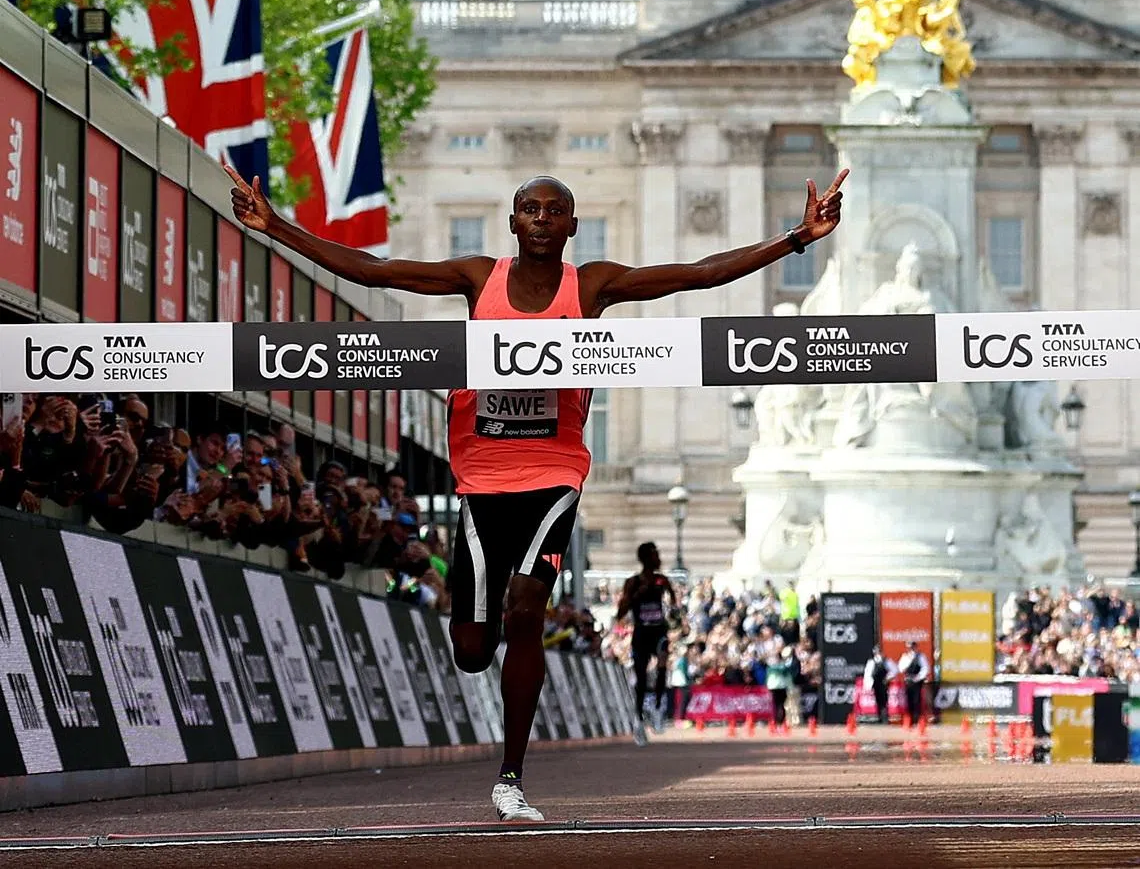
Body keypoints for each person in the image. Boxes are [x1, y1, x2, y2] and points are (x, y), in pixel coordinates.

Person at [224, 158, 847, 822]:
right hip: (480, 476)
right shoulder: (477, 278)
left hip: (555, 471)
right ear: (514, 221)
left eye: (556, 211)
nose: (544, 220)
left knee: (528, 610)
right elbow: (376, 271)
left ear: (575, 226)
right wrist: (275, 228)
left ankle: (511, 775)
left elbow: (694, 275)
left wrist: (796, 239)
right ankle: (483, 632)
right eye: (532, 210)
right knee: (471, 650)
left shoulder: (594, 286)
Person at [616, 541, 676, 744]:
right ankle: (639, 719)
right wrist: (635, 597)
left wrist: (675, 615)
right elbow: (620, 613)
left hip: (659, 632)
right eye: (654, 554)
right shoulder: (632, 582)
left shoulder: (662, 581)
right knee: (641, 679)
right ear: (645, 558)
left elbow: (675, 606)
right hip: (641, 634)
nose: (658, 558)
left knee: (662, 668)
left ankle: (659, 708)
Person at [897, 640, 930, 726]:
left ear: (915, 647)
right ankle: (910, 720)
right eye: (909, 647)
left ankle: (917, 720)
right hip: (908, 681)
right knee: (909, 700)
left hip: (917, 681)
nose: (910, 649)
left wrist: (918, 677)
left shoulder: (921, 656)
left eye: (912, 647)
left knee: (917, 700)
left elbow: (925, 668)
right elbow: (900, 668)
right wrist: (906, 665)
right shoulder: (905, 656)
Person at [863, 644, 896, 724]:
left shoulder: (887, 661)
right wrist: (868, 685)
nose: (878, 653)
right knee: (877, 701)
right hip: (875, 683)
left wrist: (887, 678)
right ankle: (879, 717)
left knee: (884, 700)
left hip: (884, 684)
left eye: (879, 651)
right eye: (877, 651)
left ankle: (885, 718)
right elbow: (867, 674)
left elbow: (894, 670)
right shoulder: (871, 662)